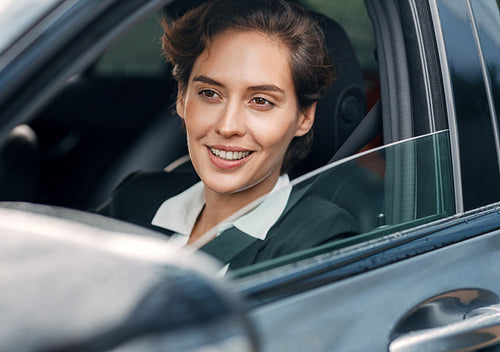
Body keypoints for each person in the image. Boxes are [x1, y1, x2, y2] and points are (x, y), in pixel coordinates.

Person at [97, 0, 358, 270]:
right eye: (210, 94)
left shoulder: (317, 240)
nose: (227, 125)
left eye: (261, 101)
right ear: (182, 98)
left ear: (304, 117)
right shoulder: (134, 197)